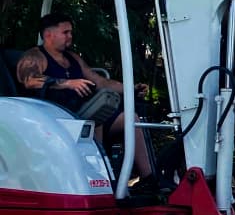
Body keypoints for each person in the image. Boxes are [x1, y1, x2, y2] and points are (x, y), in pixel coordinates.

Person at [16, 12, 161, 192]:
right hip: (54, 118)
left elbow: (100, 82)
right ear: (48, 35)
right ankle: (101, 178)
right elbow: (28, 80)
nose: (70, 36)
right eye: (65, 32)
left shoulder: (73, 58)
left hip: (81, 113)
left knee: (131, 118)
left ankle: (150, 178)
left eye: (70, 32)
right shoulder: (35, 57)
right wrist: (67, 83)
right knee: (95, 119)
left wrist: (130, 89)